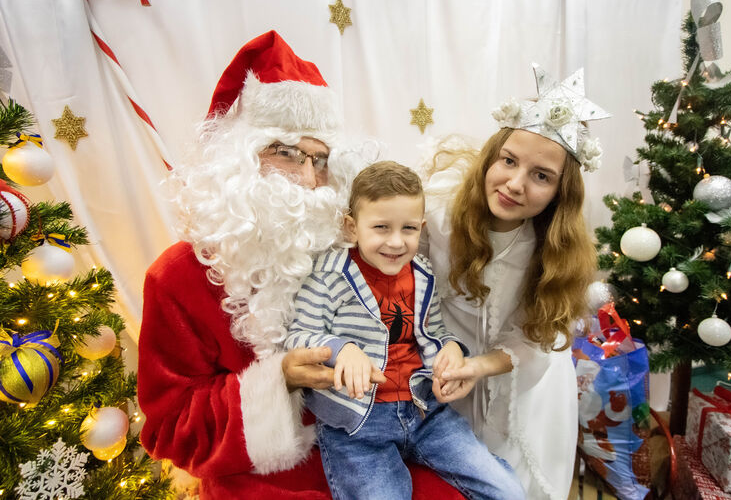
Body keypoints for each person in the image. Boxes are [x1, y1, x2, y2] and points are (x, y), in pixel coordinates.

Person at [137, 31, 463, 500]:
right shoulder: (177, 277)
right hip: (263, 478)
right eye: (286, 153)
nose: (309, 181)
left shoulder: (358, 250)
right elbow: (171, 431)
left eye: (321, 159)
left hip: (378, 445)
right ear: (237, 161)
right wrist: (280, 380)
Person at [421, 63, 611, 500]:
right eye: (508, 161)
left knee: (515, 482)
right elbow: (411, 287)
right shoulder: (439, 215)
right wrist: (451, 355)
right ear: (493, 157)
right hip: (445, 369)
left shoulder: (553, 253)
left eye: (541, 176)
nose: (515, 183)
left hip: (523, 383)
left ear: (561, 192)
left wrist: (481, 366)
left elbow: (541, 337)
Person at [285, 161, 525, 500]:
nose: (396, 242)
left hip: (425, 411)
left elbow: (435, 333)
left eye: (408, 229)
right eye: (381, 227)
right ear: (352, 228)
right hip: (358, 425)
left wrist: (452, 349)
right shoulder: (329, 274)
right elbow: (298, 335)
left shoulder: (422, 273)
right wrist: (342, 349)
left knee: (507, 490)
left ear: (422, 228)